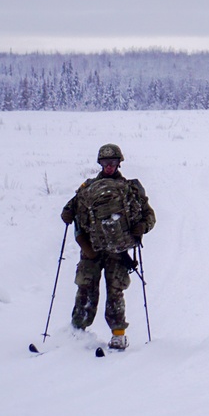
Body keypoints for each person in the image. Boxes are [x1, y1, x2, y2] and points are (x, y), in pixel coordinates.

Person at [60, 143, 155, 350]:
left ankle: (118, 335)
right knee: (85, 288)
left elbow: (150, 216)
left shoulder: (131, 189)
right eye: (105, 163)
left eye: (112, 162)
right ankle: (78, 332)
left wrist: (142, 227)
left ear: (119, 163)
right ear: (100, 164)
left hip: (118, 251)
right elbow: (70, 209)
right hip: (91, 249)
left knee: (115, 291)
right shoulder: (88, 188)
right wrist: (67, 214)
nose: (109, 166)